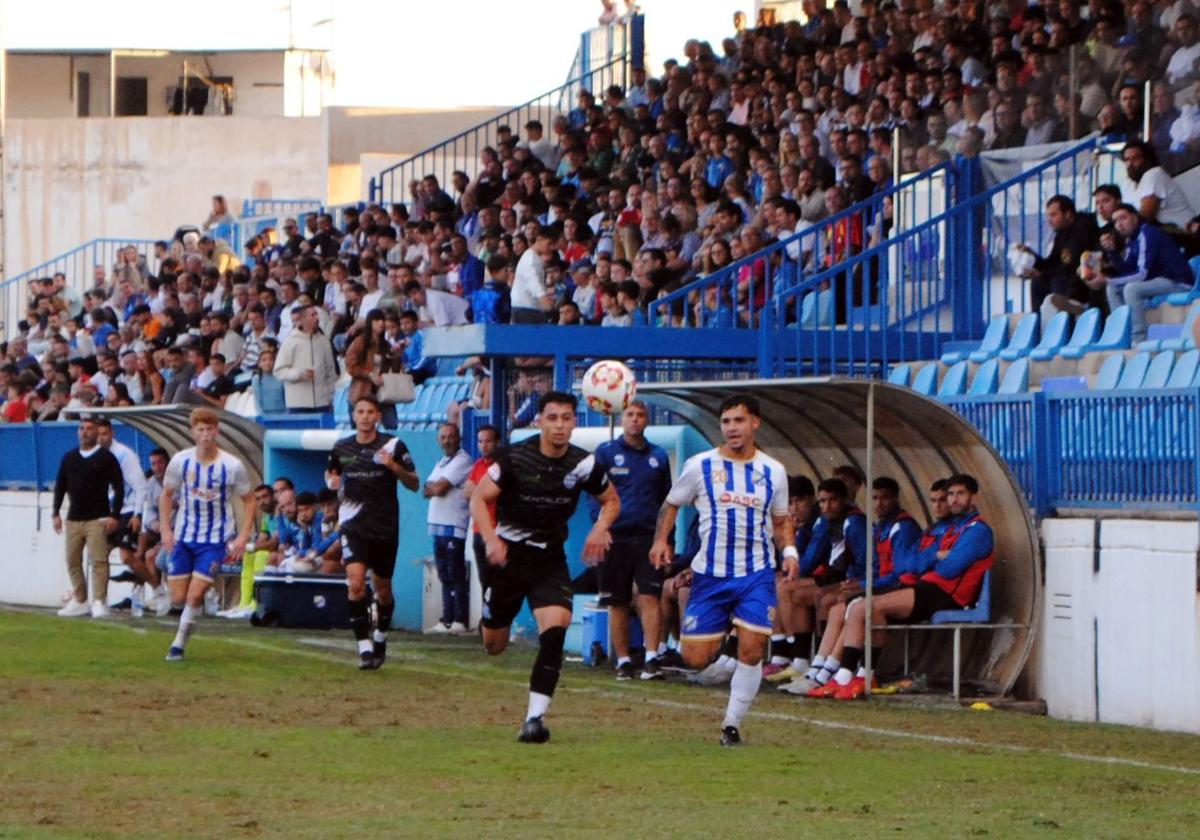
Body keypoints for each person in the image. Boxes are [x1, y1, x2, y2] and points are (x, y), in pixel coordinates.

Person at [468, 391, 620, 744]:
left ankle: (534, 719)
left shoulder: (584, 464)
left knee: (556, 626)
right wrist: (491, 539)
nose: (559, 426)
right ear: (539, 421)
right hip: (508, 558)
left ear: (574, 422)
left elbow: (611, 500)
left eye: (566, 418)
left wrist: (600, 527)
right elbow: (478, 498)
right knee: (494, 644)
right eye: (552, 418)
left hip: (548, 559)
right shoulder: (514, 459)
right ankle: (490, 619)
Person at [649, 395, 796, 746]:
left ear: (754, 423)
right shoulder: (701, 466)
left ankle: (731, 725)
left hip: (756, 573)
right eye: (727, 421)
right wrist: (661, 541)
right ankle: (732, 632)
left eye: (738, 421)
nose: (731, 428)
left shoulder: (772, 471)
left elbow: (781, 519)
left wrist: (789, 551)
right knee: (694, 657)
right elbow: (671, 504)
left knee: (752, 649)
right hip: (710, 575)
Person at [836, 474, 995, 698]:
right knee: (865, 607)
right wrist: (937, 555)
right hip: (929, 588)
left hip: (946, 595)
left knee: (863, 607)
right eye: (950, 494)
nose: (953, 500)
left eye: (960, 494)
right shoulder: (950, 529)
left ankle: (844, 676)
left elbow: (949, 569)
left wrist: (933, 561)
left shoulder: (977, 530)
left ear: (974, 497)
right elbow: (910, 564)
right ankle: (860, 676)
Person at [325, 395, 420, 669]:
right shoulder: (341, 447)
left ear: (378, 416)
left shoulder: (393, 445)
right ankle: (364, 647)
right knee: (355, 583)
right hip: (353, 525)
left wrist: (393, 466)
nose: (365, 416)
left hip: (384, 526)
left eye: (370, 412)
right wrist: (332, 481)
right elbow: (332, 475)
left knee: (383, 591)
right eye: (360, 411)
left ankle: (380, 636)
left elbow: (414, 483)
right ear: (353, 415)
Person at [159, 409, 257, 661]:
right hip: (184, 536)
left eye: (209, 429)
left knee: (193, 595)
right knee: (178, 597)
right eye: (200, 430)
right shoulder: (181, 461)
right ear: (193, 432)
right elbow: (167, 495)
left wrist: (243, 535)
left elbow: (249, 500)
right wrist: (166, 529)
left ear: (217, 430)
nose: (205, 435)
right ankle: (202, 599)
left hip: (215, 539)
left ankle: (178, 645)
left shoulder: (232, 465)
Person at [589, 401, 673, 680]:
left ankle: (651, 657)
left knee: (650, 596)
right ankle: (623, 660)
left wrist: (665, 538)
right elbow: (594, 494)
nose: (635, 420)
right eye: (630, 415)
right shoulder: (606, 453)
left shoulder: (658, 456)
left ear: (647, 420)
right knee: (618, 600)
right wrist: (600, 528)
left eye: (640, 415)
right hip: (616, 537)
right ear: (621, 418)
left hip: (648, 538)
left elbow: (666, 501)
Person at [51, 418, 124, 618]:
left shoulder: (106, 458)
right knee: (72, 559)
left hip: (97, 517)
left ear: (96, 432)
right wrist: (56, 512)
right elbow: (60, 486)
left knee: (99, 560)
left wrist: (114, 515)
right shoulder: (69, 458)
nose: (85, 432)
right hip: (74, 517)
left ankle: (99, 600)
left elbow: (119, 487)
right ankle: (80, 599)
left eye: (89, 429)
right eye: (82, 429)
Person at [1094, 203, 1194, 342]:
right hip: (1159, 281)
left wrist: (1107, 279)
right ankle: (1121, 334)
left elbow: (1142, 274)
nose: (1119, 224)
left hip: (1178, 282)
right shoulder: (1131, 239)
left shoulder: (1147, 233)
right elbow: (1127, 270)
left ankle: (1138, 337)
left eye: (1123, 218)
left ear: (1135, 218)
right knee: (1112, 289)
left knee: (1131, 289)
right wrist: (1113, 252)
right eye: (1115, 221)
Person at [94, 419, 151, 610]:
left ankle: (158, 590)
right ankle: (99, 600)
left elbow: (140, 486)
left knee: (127, 557)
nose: (101, 438)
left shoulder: (124, 456)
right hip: (110, 512)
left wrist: (138, 514)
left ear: (112, 433)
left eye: (104, 434)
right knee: (100, 554)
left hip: (127, 510)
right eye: (98, 434)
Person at [423, 423, 474, 634]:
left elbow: (440, 488)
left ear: (458, 438)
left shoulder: (463, 460)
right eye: (443, 437)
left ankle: (459, 619)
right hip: (437, 525)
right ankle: (447, 618)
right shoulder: (442, 462)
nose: (447, 441)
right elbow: (427, 489)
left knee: (456, 572)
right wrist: (434, 488)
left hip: (454, 524)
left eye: (450, 437)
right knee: (444, 574)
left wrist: (435, 488)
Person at [1018, 195, 1101, 320]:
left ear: (1068, 214)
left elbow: (1071, 265)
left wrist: (1042, 274)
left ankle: (1074, 310)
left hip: (1082, 282)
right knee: (1038, 282)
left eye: (1053, 215)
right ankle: (1038, 323)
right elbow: (1052, 263)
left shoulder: (1082, 229)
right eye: (1048, 215)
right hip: (1067, 278)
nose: (1049, 220)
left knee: (1056, 279)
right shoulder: (1061, 233)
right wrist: (1032, 257)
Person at [274, 304, 338, 412]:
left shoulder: (323, 341)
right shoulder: (290, 341)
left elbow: (330, 371)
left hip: (322, 403)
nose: (317, 318)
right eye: (312, 315)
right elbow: (279, 371)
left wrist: (331, 397)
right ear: (302, 319)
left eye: (316, 314)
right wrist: (299, 374)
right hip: (298, 404)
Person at [462, 424, 500, 576]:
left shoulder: (501, 466)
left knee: (499, 581)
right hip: (478, 531)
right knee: (484, 581)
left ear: (497, 442)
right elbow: (466, 493)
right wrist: (484, 491)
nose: (483, 445)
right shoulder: (478, 465)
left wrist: (478, 491)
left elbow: (476, 492)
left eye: (488, 441)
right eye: (480, 441)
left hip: (497, 531)